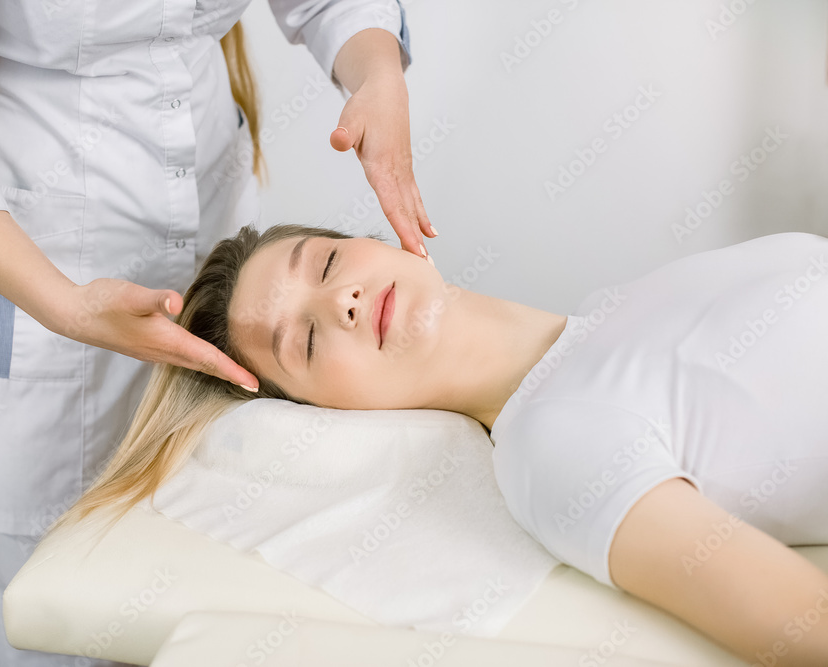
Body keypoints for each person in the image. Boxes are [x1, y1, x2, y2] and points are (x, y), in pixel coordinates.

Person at [0, 1, 437, 664]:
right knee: (60, 613)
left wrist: (377, 73)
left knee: (214, 574)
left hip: (215, 248)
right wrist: (65, 307)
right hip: (41, 295)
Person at [49, 223, 828, 665]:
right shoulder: (553, 453)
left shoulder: (618, 304)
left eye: (324, 264)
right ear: (333, 412)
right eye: (307, 342)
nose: (343, 300)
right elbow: (803, 622)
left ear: (379, 239)